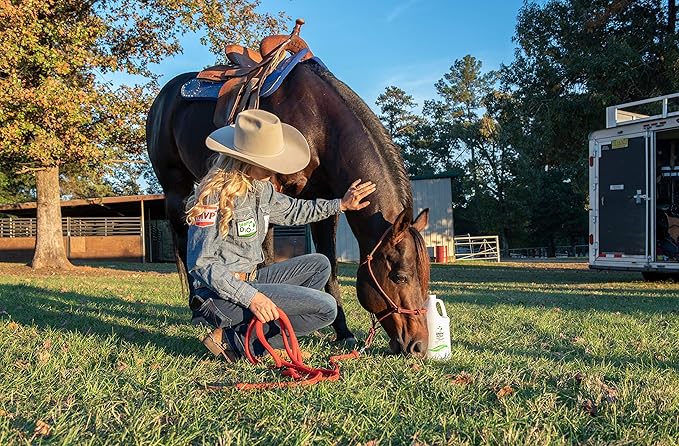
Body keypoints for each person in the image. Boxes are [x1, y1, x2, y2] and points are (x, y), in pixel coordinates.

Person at [185, 109, 376, 361]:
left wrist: (341, 204)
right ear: (245, 159)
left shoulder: (261, 188)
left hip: (251, 277)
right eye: (268, 164)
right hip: (218, 295)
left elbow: (295, 210)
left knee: (319, 265)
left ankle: (246, 335)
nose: (274, 170)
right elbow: (200, 263)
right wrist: (252, 298)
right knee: (325, 309)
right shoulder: (212, 196)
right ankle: (237, 341)